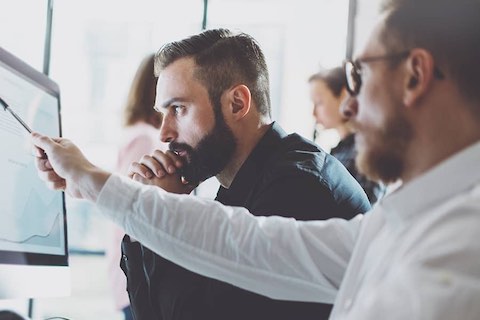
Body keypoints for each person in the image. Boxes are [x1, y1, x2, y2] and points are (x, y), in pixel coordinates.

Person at [32, 0, 480, 318]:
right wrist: (100, 187)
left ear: (416, 75)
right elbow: (243, 243)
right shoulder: (399, 223)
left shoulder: (303, 185)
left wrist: (105, 185)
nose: (347, 108)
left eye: (358, 76)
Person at [118, 29, 370, 320]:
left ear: (237, 103)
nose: (164, 133)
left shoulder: (297, 189)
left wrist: (164, 213)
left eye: (179, 109)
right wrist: (144, 226)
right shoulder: (239, 187)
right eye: (164, 113)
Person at [105, 53, 164, 320]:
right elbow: (129, 206)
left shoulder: (140, 134)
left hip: (134, 269)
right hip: (139, 271)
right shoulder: (145, 138)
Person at [308, 67, 386, 204]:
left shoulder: (365, 153)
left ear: (344, 95)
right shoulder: (339, 151)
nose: (313, 113)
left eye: (319, 102)